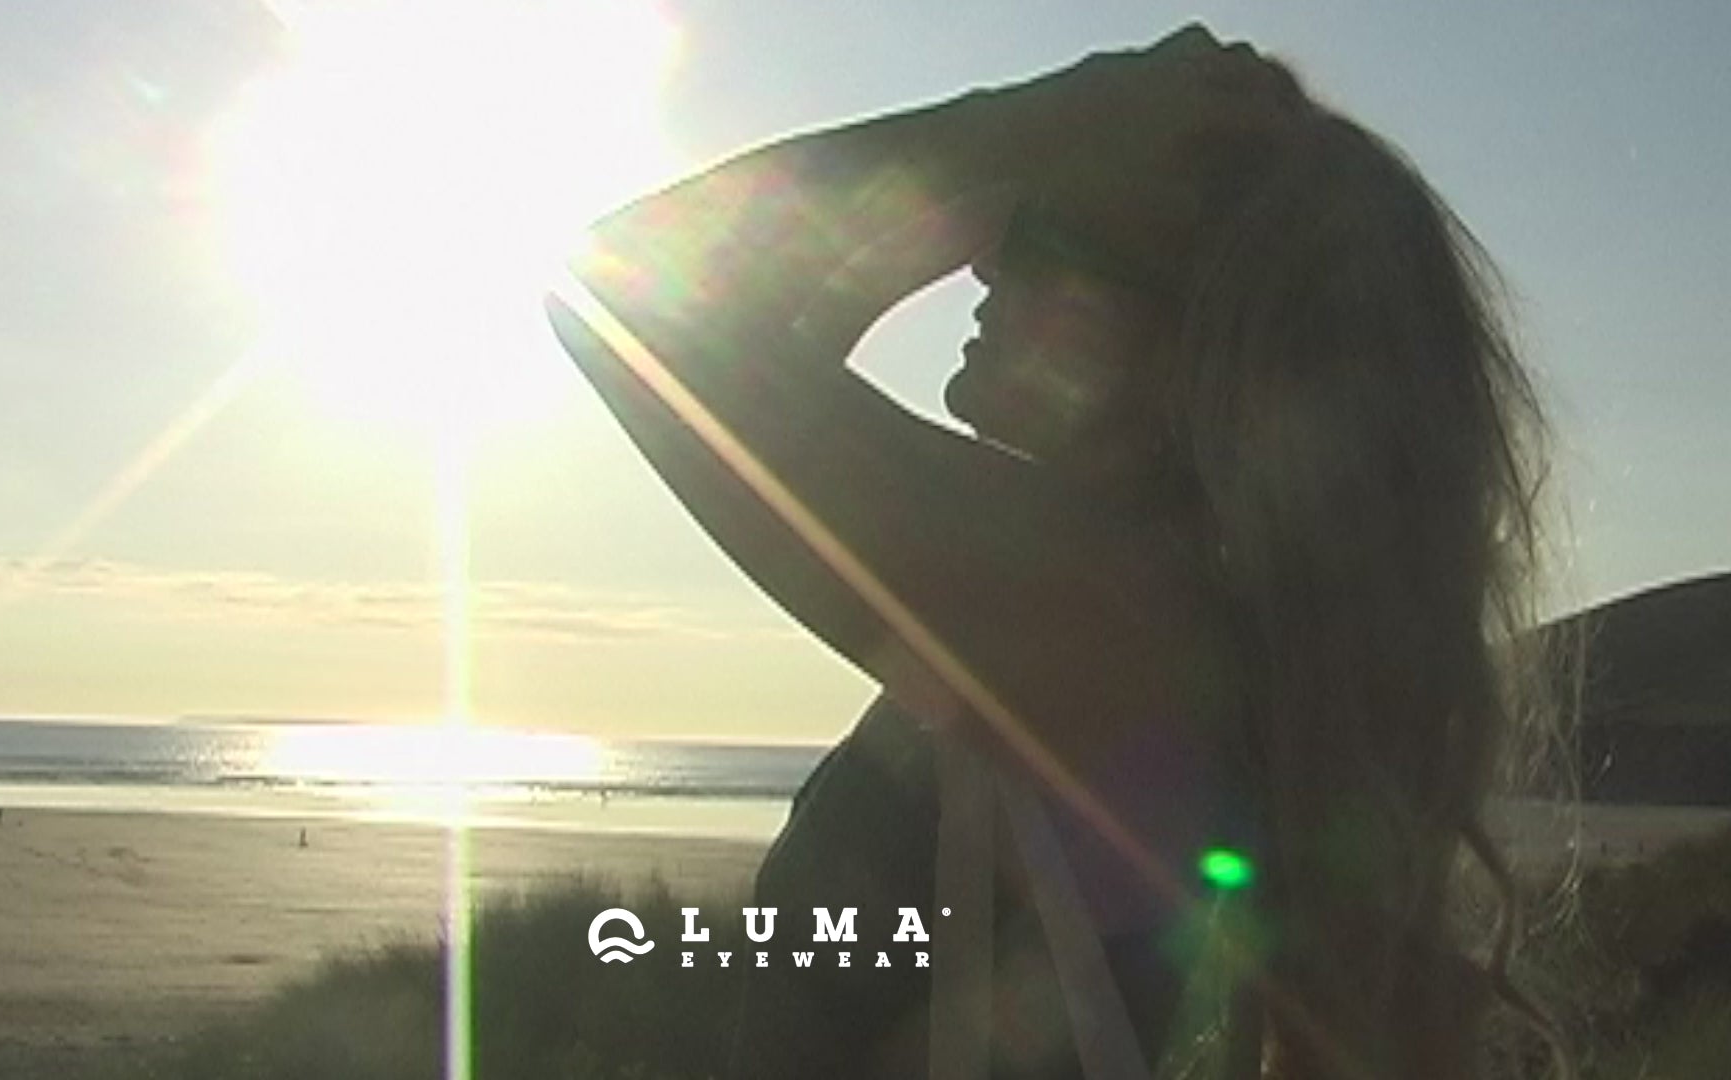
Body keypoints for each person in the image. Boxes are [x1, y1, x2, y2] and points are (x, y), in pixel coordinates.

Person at [546, 23, 1566, 1080]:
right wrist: (1037, 160)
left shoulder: (1110, 615)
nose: (987, 252)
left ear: (1194, 345)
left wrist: (1048, 116)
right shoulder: (1150, 627)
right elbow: (751, 356)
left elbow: (625, 301)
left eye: (1055, 233)